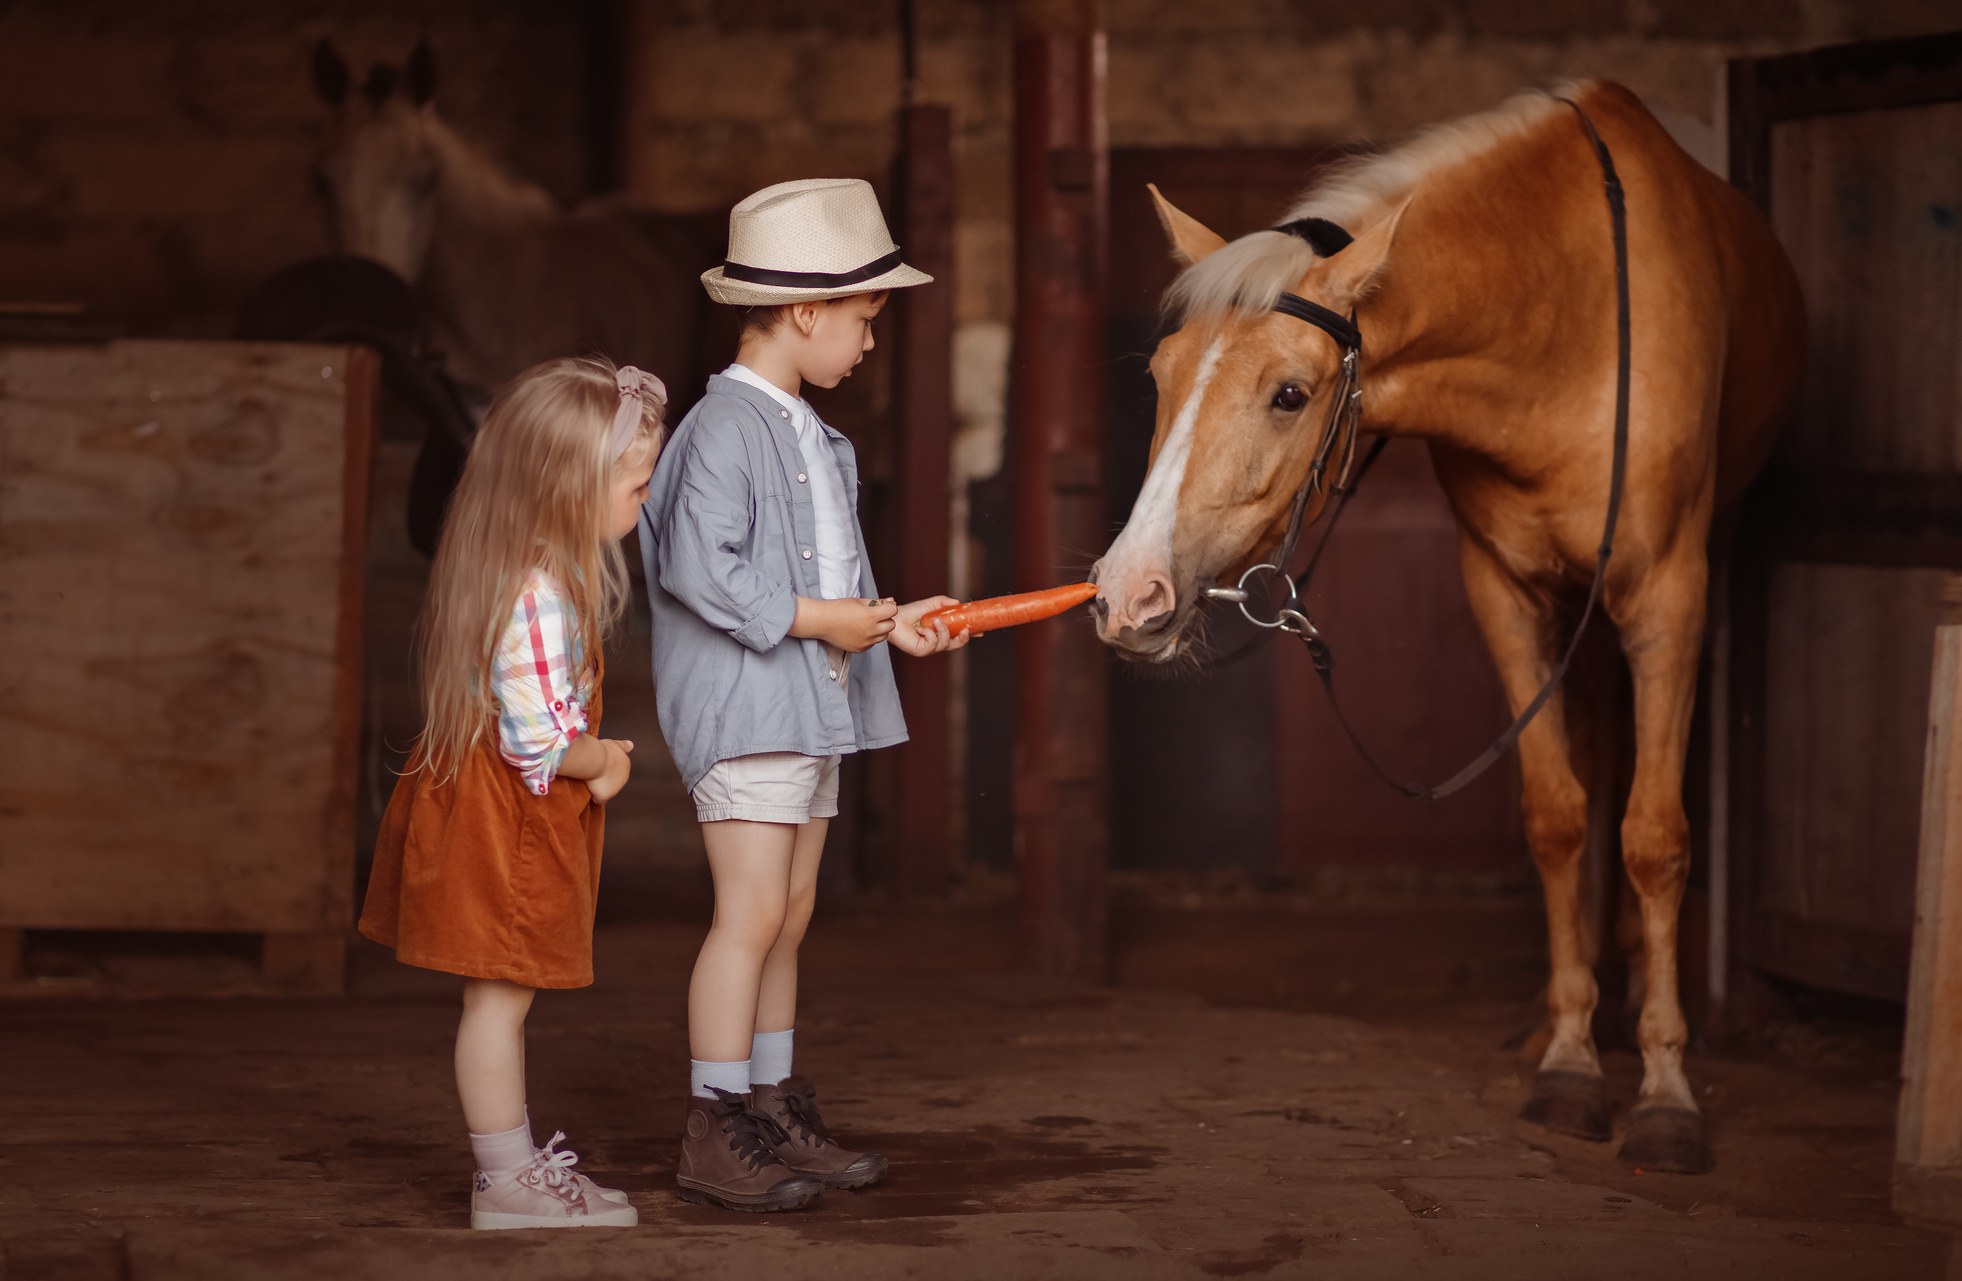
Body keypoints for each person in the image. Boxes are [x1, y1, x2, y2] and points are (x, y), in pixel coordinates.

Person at [640, 178, 970, 1212]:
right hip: (748, 708)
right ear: (804, 311)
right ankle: (713, 1125)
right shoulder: (721, 428)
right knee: (747, 914)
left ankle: (771, 1107)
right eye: (864, 320)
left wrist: (888, 621)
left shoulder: (818, 439)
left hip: (813, 704)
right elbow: (701, 569)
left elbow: (829, 580)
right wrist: (825, 619)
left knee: (787, 914)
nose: (869, 343)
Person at [360, 357, 666, 1230]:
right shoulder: (539, 598)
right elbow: (536, 742)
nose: (644, 500)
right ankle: (506, 1182)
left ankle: (519, 1165)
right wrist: (602, 761)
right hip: (506, 829)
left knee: (501, 1001)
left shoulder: (519, 571)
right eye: (637, 486)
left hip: (498, 816)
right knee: (497, 1003)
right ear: (571, 491)